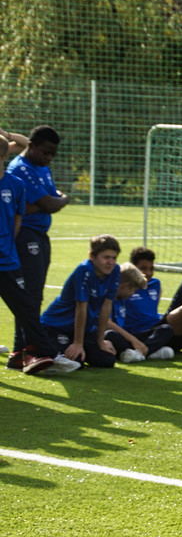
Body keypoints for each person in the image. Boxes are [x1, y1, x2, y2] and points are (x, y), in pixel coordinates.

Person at [0, 128, 79, 375]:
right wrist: (60, 200)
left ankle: (27, 352)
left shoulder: (25, 175)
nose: (49, 158)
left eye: (52, 154)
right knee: (28, 299)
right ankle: (34, 352)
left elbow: (25, 213)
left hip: (18, 249)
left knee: (28, 301)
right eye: (45, 152)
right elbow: (48, 203)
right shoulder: (20, 170)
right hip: (25, 240)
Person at [40, 234, 122, 367]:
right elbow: (81, 308)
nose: (111, 262)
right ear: (92, 256)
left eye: (114, 258)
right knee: (76, 360)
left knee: (106, 360)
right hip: (57, 326)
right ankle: (38, 348)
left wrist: (100, 340)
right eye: (106, 257)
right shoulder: (84, 270)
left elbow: (106, 306)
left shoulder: (115, 271)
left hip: (84, 329)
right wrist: (78, 343)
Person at [103, 263, 175, 363]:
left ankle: (141, 352)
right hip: (118, 337)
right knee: (110, 335)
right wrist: (134, 340)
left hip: (129, 336)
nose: (133, 293)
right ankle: (146, 352)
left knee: (166, 329)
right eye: (133, 290)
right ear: (126, 285)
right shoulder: (108, 298)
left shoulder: (122, 298)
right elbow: (107, 323)